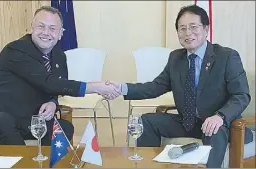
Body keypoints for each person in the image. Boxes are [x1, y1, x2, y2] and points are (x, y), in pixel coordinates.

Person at [108, 5, 253, 168]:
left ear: (206, 29)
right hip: (188, 122)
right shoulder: (175, 58)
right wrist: (121, 88)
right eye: (182, 28)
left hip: (219, 123)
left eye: (193, 27)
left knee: (214, 130)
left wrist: (220, 116)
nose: (187, 33)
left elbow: (241, 95)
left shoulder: (226, 56)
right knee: (146, 121)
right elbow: (155, 87)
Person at [0, 6, 120, 146]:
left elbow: (56, 87)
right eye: (41, 26)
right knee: (3, 121)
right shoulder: (16, 49)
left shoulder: (59, 56)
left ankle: (48, 164)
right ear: (32, 27)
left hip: (24, 119)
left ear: (61, 33)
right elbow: (47, 82)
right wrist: (95, 87)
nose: (46, 32)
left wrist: (52, 102)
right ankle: (26, 164)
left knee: (63, 127)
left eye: (52, 28)